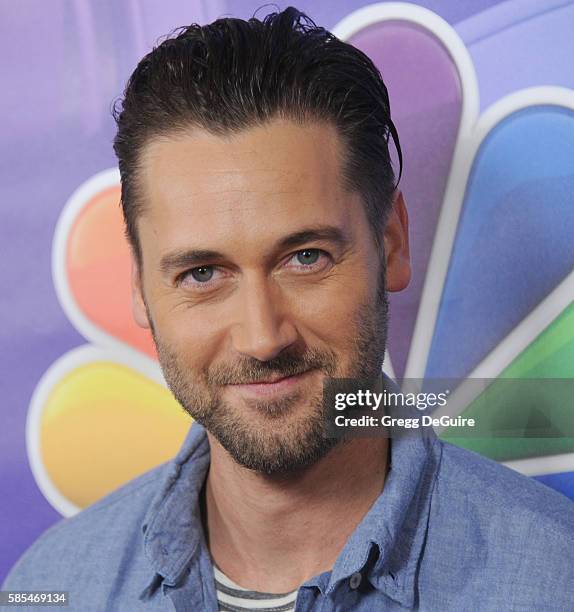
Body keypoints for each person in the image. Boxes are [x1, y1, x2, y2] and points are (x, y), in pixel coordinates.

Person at [4, 7, 574, 611]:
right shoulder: (53, 587)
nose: (262, 337)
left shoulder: (551, 581)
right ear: (142, 285)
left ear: (393, 243)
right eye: (202, 273)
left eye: (305, 258)